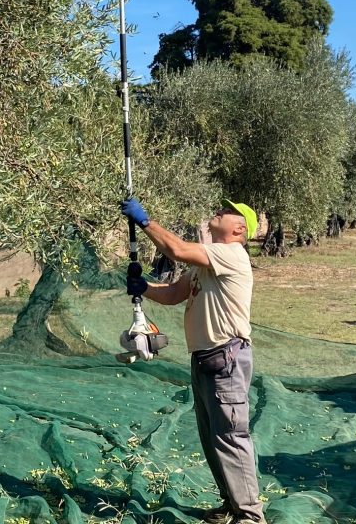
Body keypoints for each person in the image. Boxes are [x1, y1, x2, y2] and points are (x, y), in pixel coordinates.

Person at [120, 197, 264, 524]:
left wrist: (145, 221)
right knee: (214, 439)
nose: (220, 211)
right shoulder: (207, 261)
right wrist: (143, 286)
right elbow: (174, 294)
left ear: (239, 229)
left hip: (226, 358)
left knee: (230, 436)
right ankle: (232, 504)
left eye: (228, 212)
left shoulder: (231, 254)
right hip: (205, 359)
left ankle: (251, 517)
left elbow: (177, 249)